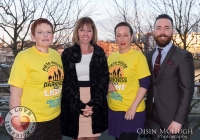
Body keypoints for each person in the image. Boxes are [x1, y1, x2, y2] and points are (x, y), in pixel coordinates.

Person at [8, 18, 63, 139]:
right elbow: (15, 94)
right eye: (40, 32)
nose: (45, 35)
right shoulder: (24, 57)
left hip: (54, 118)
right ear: (33, 37)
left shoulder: (56, 55)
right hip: (31, 120)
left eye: (49, 32)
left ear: (52, 35)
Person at [145, 14, 194, 140]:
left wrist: (178, 120)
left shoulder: (183, 56)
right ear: (153, 31)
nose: (162, 32)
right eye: (159, 28)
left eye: (166, 28)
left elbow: (187, 90)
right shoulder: (148, 56)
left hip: (172, 119)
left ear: (172, 31)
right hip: (151, 118)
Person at [60, 17, 109, 140]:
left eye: (89, 30)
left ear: (93, 33)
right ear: (77, 32)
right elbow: (66, 83)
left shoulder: (99, 52)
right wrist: (79, 106)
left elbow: (104, 80)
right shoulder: (68, 53)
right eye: (82, 30)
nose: (85, 34)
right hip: (74, 103)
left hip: (95, 104)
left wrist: (93, 105)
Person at [107, 22, 150, 140]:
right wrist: (107, 83)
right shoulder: (111, 57)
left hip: (132, 111)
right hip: (114, 109)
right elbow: (105, 78)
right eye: (118, 35)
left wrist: (133, 108)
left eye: (125, 35)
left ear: (132, 37)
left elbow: (145, 84)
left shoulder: (138, 57)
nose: (122, 38)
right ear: (115, 37)